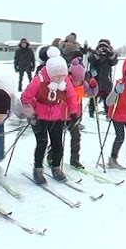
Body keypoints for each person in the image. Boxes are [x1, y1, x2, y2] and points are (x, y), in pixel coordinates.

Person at [21, 46, 79, 184]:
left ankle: (56, 167)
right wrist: (30, 111)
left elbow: (71, 97)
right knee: (42, 143)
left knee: (57, 143)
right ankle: (38, 169)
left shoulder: (65, 81)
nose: (60, 78)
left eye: (63, 75)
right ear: (50, 72)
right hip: (39, 117)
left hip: (57, 117)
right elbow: (25, 98)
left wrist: (73, 112)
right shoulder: (39, 80)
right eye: (57, 76)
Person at [48, 57, 98, 169]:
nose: (77, 82)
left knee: (76, 137)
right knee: (57, 138)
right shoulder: (64, 83)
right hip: (61, 116)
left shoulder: (83, 85)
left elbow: (91, 94)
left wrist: (94, 87)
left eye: (80, 79)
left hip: (75, 116)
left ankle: (75, 160)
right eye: (76, 79)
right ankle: (51, 156)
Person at [87, 39, 118, 118]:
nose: (103, 48)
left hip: (106, 80)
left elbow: (114, 62)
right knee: (93, 97)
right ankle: (91, 112)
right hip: (96, 79)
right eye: (101, 46)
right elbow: (91, 60)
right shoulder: (95, 54)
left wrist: (110, 53)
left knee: (107, 98)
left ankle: (108, 113)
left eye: (105, 47)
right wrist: (97, 54)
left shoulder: (110, 55)